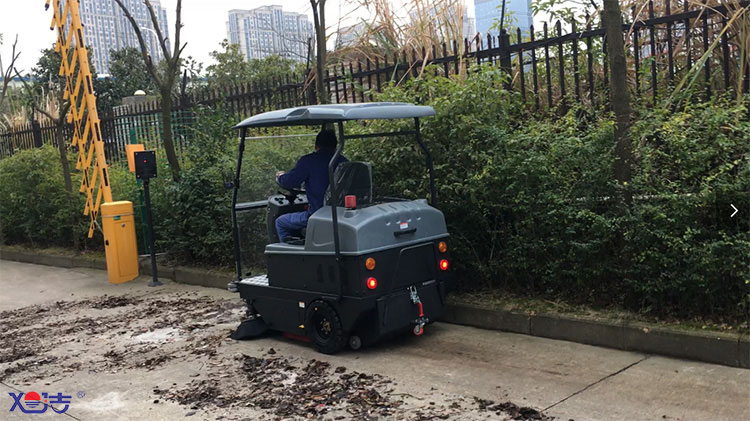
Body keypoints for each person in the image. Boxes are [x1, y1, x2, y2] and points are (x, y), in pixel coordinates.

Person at [275, 129, 347, 242]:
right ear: (335, 146)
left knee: (281, 222)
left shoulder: (309, 161)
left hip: (318, 214)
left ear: (316, 146)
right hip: (343, 214)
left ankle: (290, 257)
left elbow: (290, 181)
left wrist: (280, 176)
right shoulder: (344, 161)